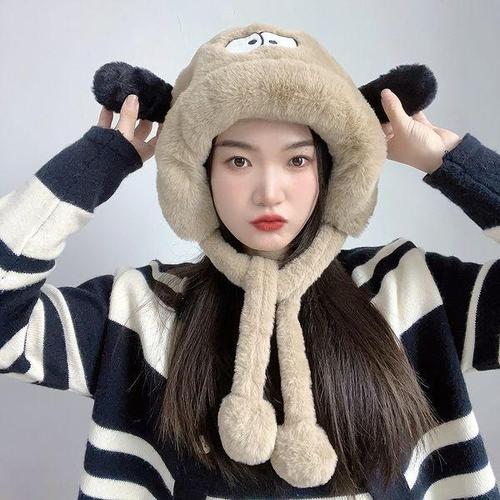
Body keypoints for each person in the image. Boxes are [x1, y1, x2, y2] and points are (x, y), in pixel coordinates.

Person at [1, 27, 499, 500]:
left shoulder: (407, 291)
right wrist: (92, 167)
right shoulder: (141, 310)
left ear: (329, 172)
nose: (269, 192)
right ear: (199, 177)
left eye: (297, 160)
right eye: (238, 161)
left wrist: (452, 161)